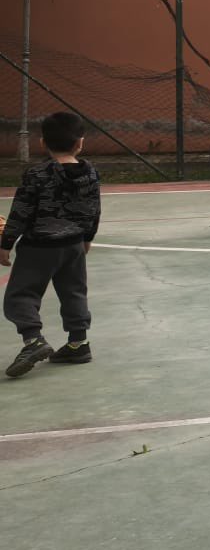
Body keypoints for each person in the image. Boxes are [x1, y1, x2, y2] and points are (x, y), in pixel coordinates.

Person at [3, 112, 100, 378]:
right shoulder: (91, 173)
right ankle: (78, 343)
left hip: (38, 247)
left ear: (43, 142)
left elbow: (21, 211)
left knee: (21, 295)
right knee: (74, 292)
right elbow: (94, 209)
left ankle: (33, 340)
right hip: (73, 245)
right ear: (80, 143)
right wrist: (87, 237)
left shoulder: (36, 174)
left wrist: (6, 243)